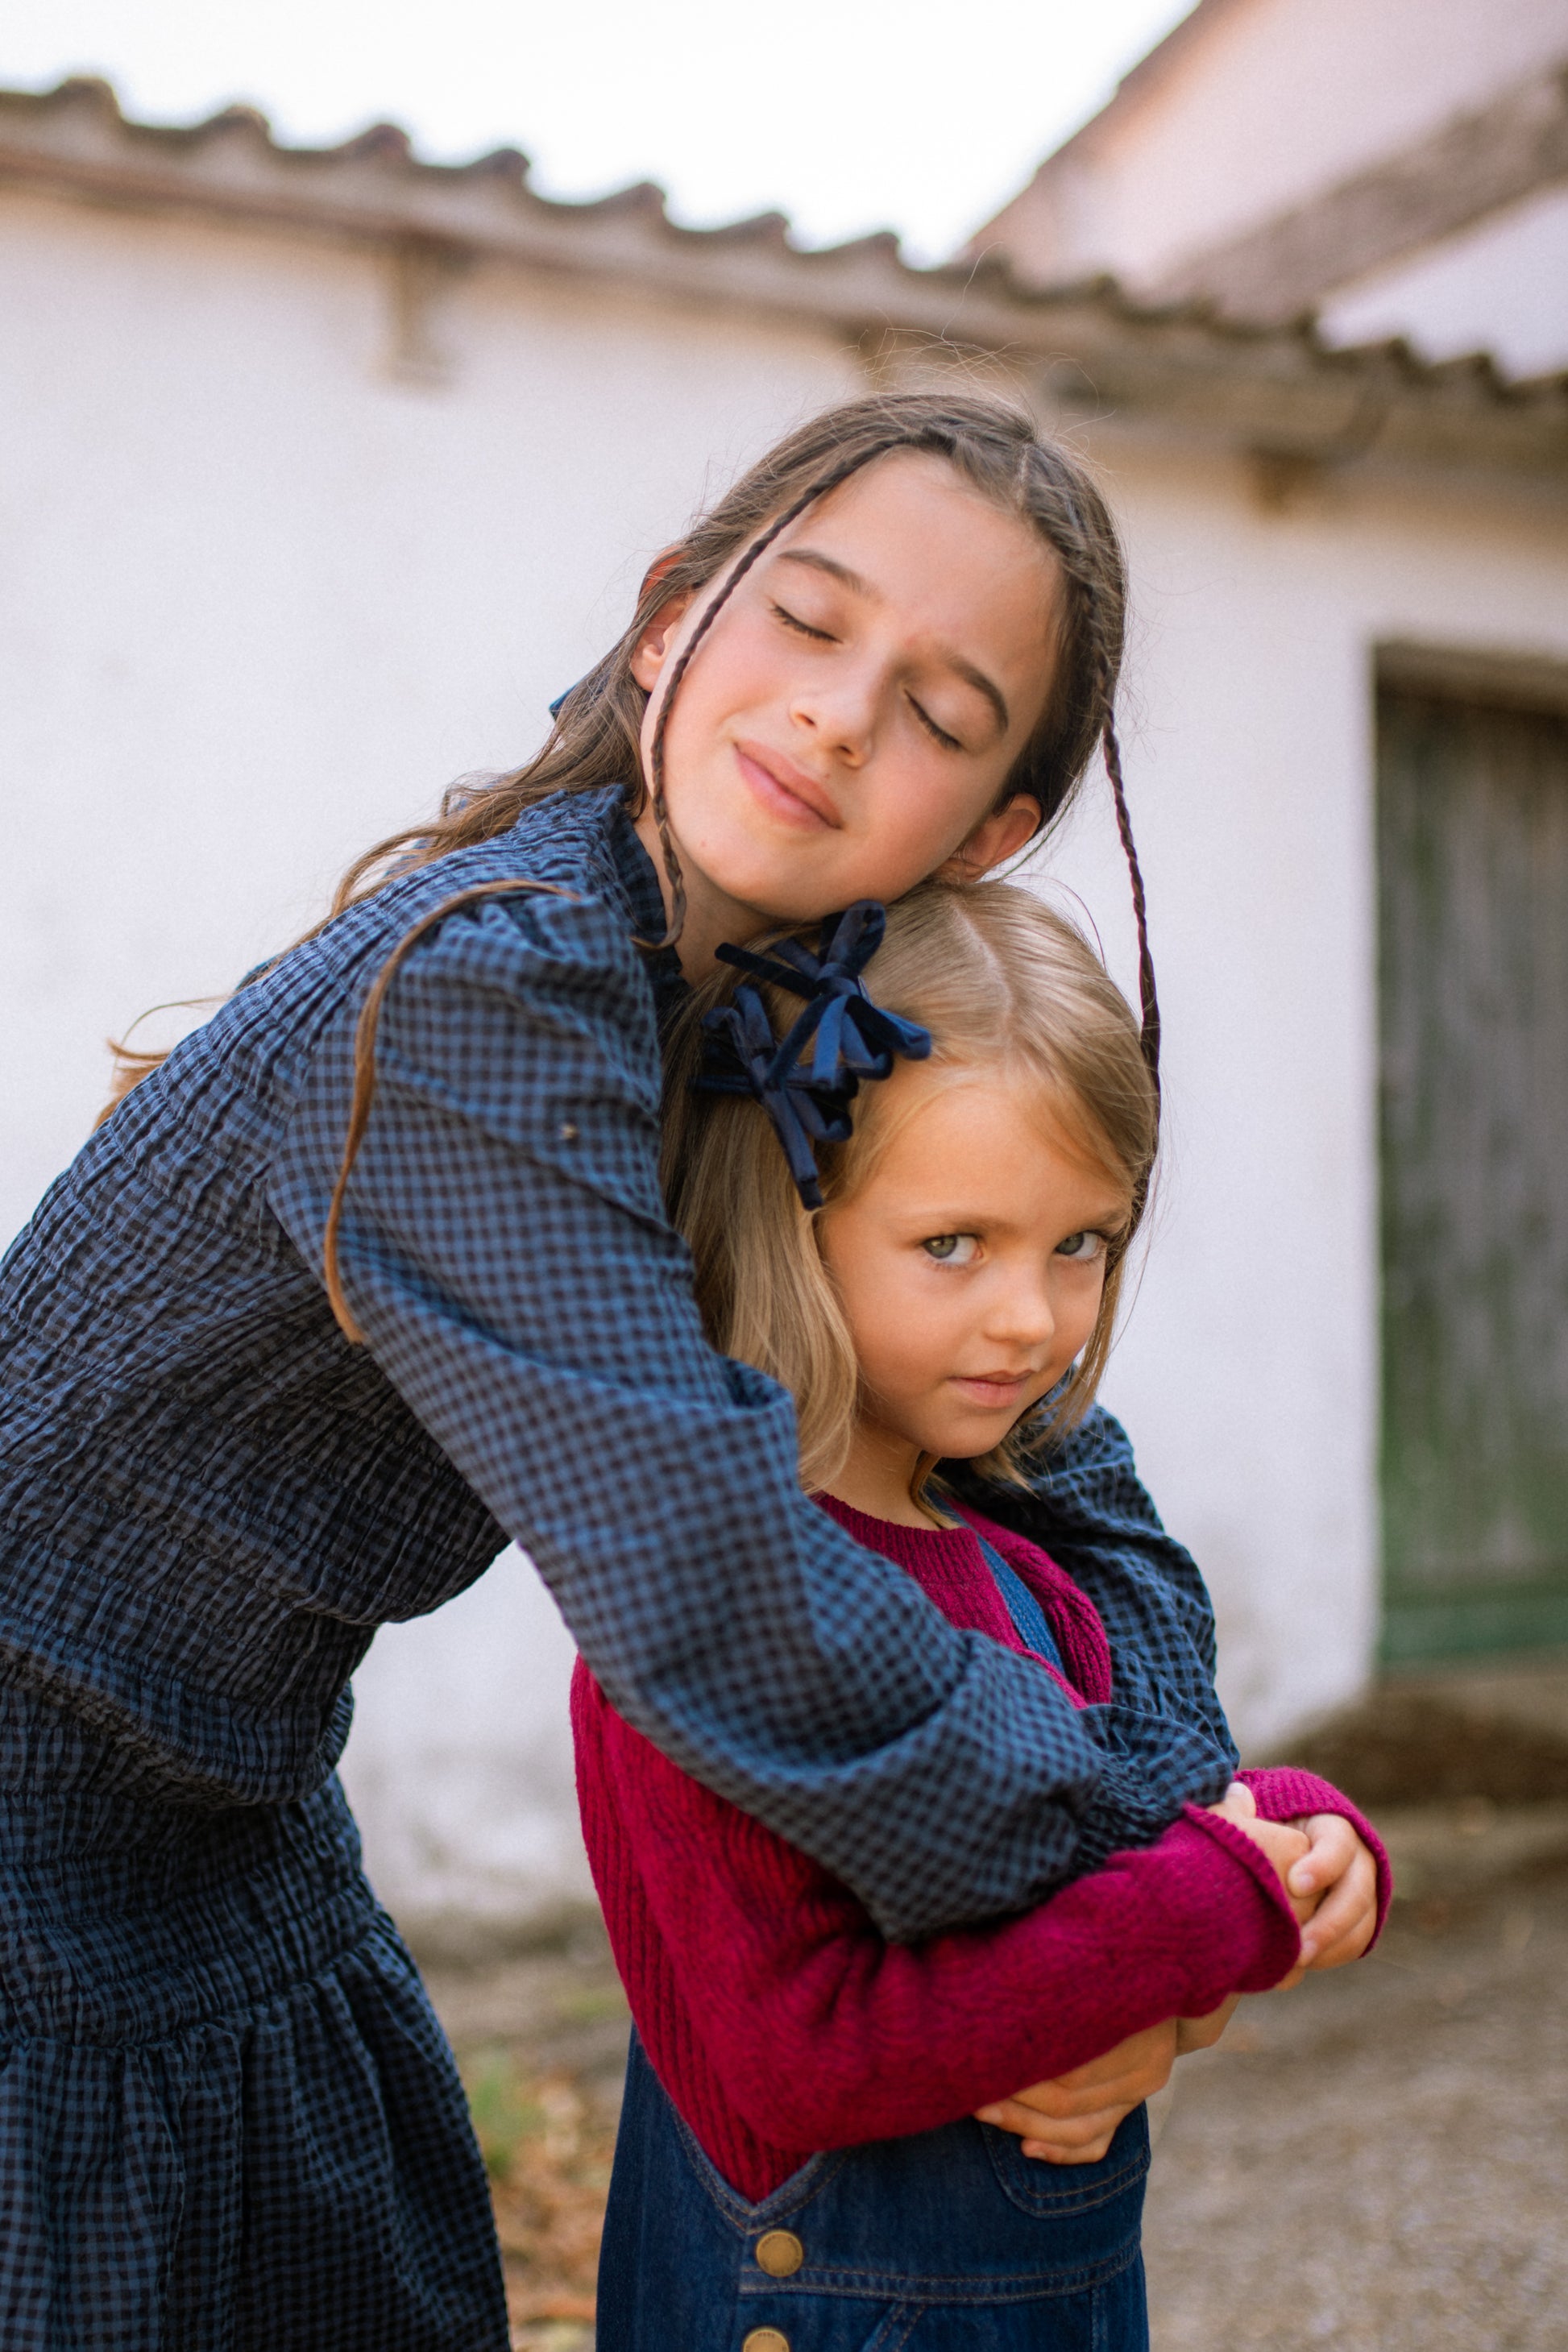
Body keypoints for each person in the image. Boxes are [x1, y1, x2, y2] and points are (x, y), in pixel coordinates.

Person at [0, 392, 1338, 2346]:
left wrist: (1164, 1874)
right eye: (806, 619)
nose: (838, 710)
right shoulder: (489, 986)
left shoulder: (742, 1029)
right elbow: (721, 1599)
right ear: (668, 623)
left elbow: (1056, 1466)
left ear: (990, 831)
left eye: (945, 712)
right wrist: (1170, 1904)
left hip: (224, 1851)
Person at [577, 881, 1388, 2349]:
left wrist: (1296, 1833)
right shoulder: (703, 1618)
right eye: (954, 1245)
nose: (1031, 1317)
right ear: (788, 1218)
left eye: (1079, 1244)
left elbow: (1131, 1834)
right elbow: (801, 2052)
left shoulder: (1023, 1546)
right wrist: (1210, 1907)